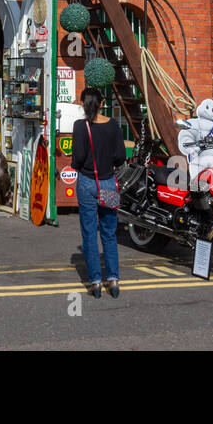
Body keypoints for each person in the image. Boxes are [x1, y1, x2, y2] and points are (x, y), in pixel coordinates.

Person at [71, 87, 126, 299]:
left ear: (84, 104)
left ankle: (95, 282)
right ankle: (113, 279)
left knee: (89, 233)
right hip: (108, 183)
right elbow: (120, 157)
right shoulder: (113, 125)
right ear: (102, 103)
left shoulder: (80, 126)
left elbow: (77, 159)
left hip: (87, 182)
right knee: (109, 233)